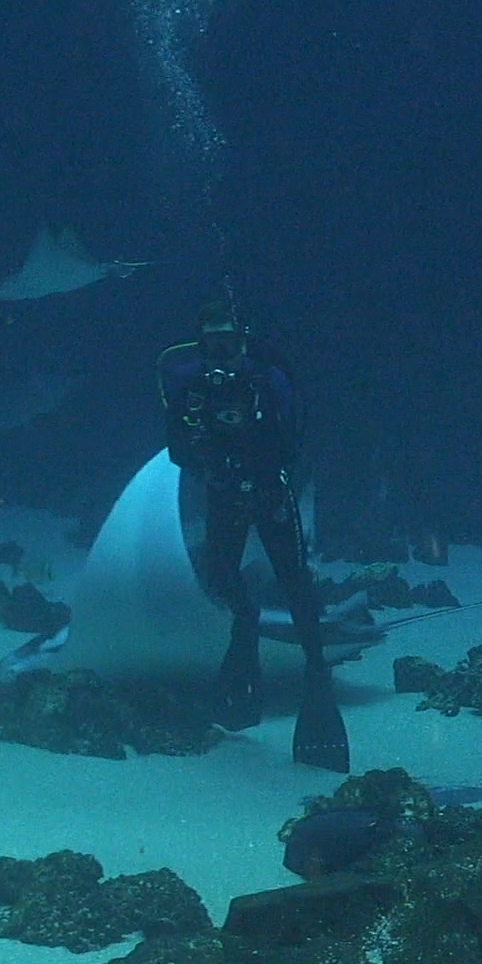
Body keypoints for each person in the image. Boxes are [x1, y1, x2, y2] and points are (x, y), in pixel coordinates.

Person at [159, 289, 345, 769]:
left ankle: (316, 669)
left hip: (269, 493)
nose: (222, 355)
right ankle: (246, 632)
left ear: (244, 343)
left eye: (229, 344)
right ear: (201, 347)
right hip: (224, 495)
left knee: (294, 578)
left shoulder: (268, 381)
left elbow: (295, 437)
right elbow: (177, 450)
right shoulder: (192, 391)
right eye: (212, 346)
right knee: (223, 577)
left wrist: (269, 470)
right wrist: (208, 452)